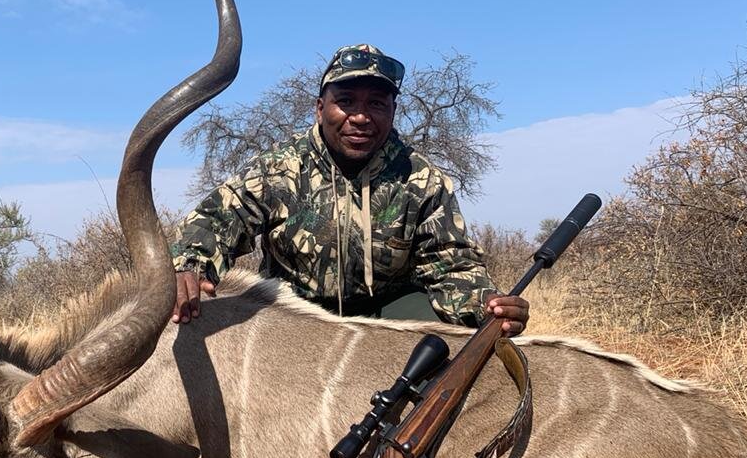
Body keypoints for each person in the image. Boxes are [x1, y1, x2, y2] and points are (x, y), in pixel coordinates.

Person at [170, 44, 529, 334]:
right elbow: (216, 220)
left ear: (392, 110)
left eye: (376, 103)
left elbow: (452, 265)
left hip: (389, 311)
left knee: (450, 348)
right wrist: (188, 266)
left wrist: (485, 304)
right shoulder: (279, 169)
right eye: (346, 101)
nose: (361, 116)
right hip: (298, 311)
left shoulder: (420, 177)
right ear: (320, 108)